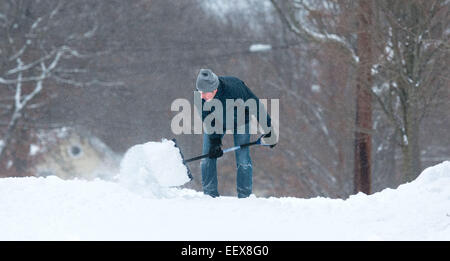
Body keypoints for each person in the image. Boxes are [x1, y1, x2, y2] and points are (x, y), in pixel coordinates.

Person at [196, 69, 277, 198]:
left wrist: (268, 130)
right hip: (216, 122)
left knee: (243, 158)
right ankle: (209, 195)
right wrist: (215, 142)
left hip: (239, 120)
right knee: (207, 157)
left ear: (215, 89)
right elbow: (207, 119)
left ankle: (244, 196)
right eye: (200, 92)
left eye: (205, 93)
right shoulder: (200, 94)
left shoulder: (235, 89)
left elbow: (256, 106)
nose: (202, 96)